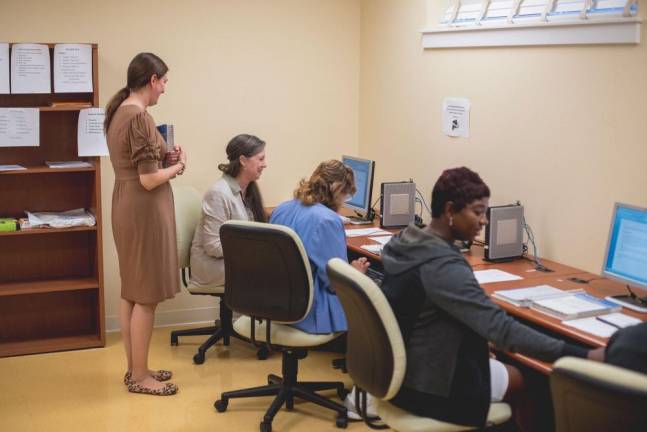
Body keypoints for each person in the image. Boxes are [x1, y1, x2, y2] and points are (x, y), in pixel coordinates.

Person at [379, 167, 600, 430]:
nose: (484, 221)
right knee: (535, 377)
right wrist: (582, 355)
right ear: (450, 211)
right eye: (477, 212)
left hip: (403, 374)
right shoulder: (441, 264)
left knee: (508, 358)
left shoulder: (406, 241)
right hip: (430, 388)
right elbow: (501, 329)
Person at [105, 52, 186, 396]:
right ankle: (140, 378)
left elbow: (139, 166)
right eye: (164, 81)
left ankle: (135, 368)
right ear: (152, 79)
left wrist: (163, 158)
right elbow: (150, 180)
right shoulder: (138, 118)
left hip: (126, 204)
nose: (165, 88)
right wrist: (178, 167)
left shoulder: (119, 111)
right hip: (142, 210)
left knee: (131, 292)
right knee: (146, 296)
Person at [269, 159, 370, 334]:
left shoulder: (282, 208)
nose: (345, 201)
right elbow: (334, 283)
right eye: (346, 195)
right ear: (337, 190)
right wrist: (354, 272)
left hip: (277, 302)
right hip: (310, 311)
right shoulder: (327, 220)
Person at [190, 134, 267, 287]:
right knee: (272, 271)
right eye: (261, 159)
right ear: (243, 161)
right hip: (212, 267)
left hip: (233, 261)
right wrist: (252, 250)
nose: (265, 164)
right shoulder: (218, 193)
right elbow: (213, 246)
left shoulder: (248, 189)